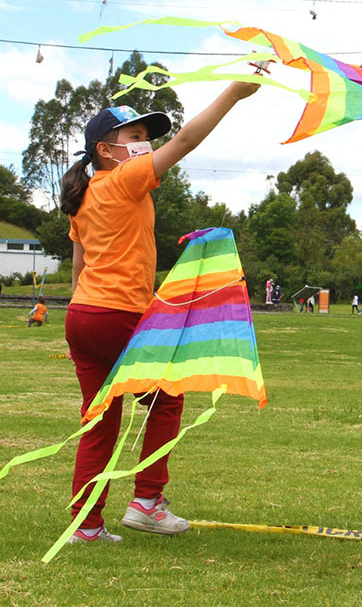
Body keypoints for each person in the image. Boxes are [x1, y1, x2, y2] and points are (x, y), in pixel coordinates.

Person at [60, 83, 258, 545]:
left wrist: (81, 314)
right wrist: (234, 94)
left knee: (100, 419)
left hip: (83, 316)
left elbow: (79, 265)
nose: (144, 141)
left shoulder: (86, 193)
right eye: (134, 135)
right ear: (105, 150)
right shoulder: (124, 178)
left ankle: (85, 526)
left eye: (146, 134)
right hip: (118, 313)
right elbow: (186, 141)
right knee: (166, 400)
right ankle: (147, 502)